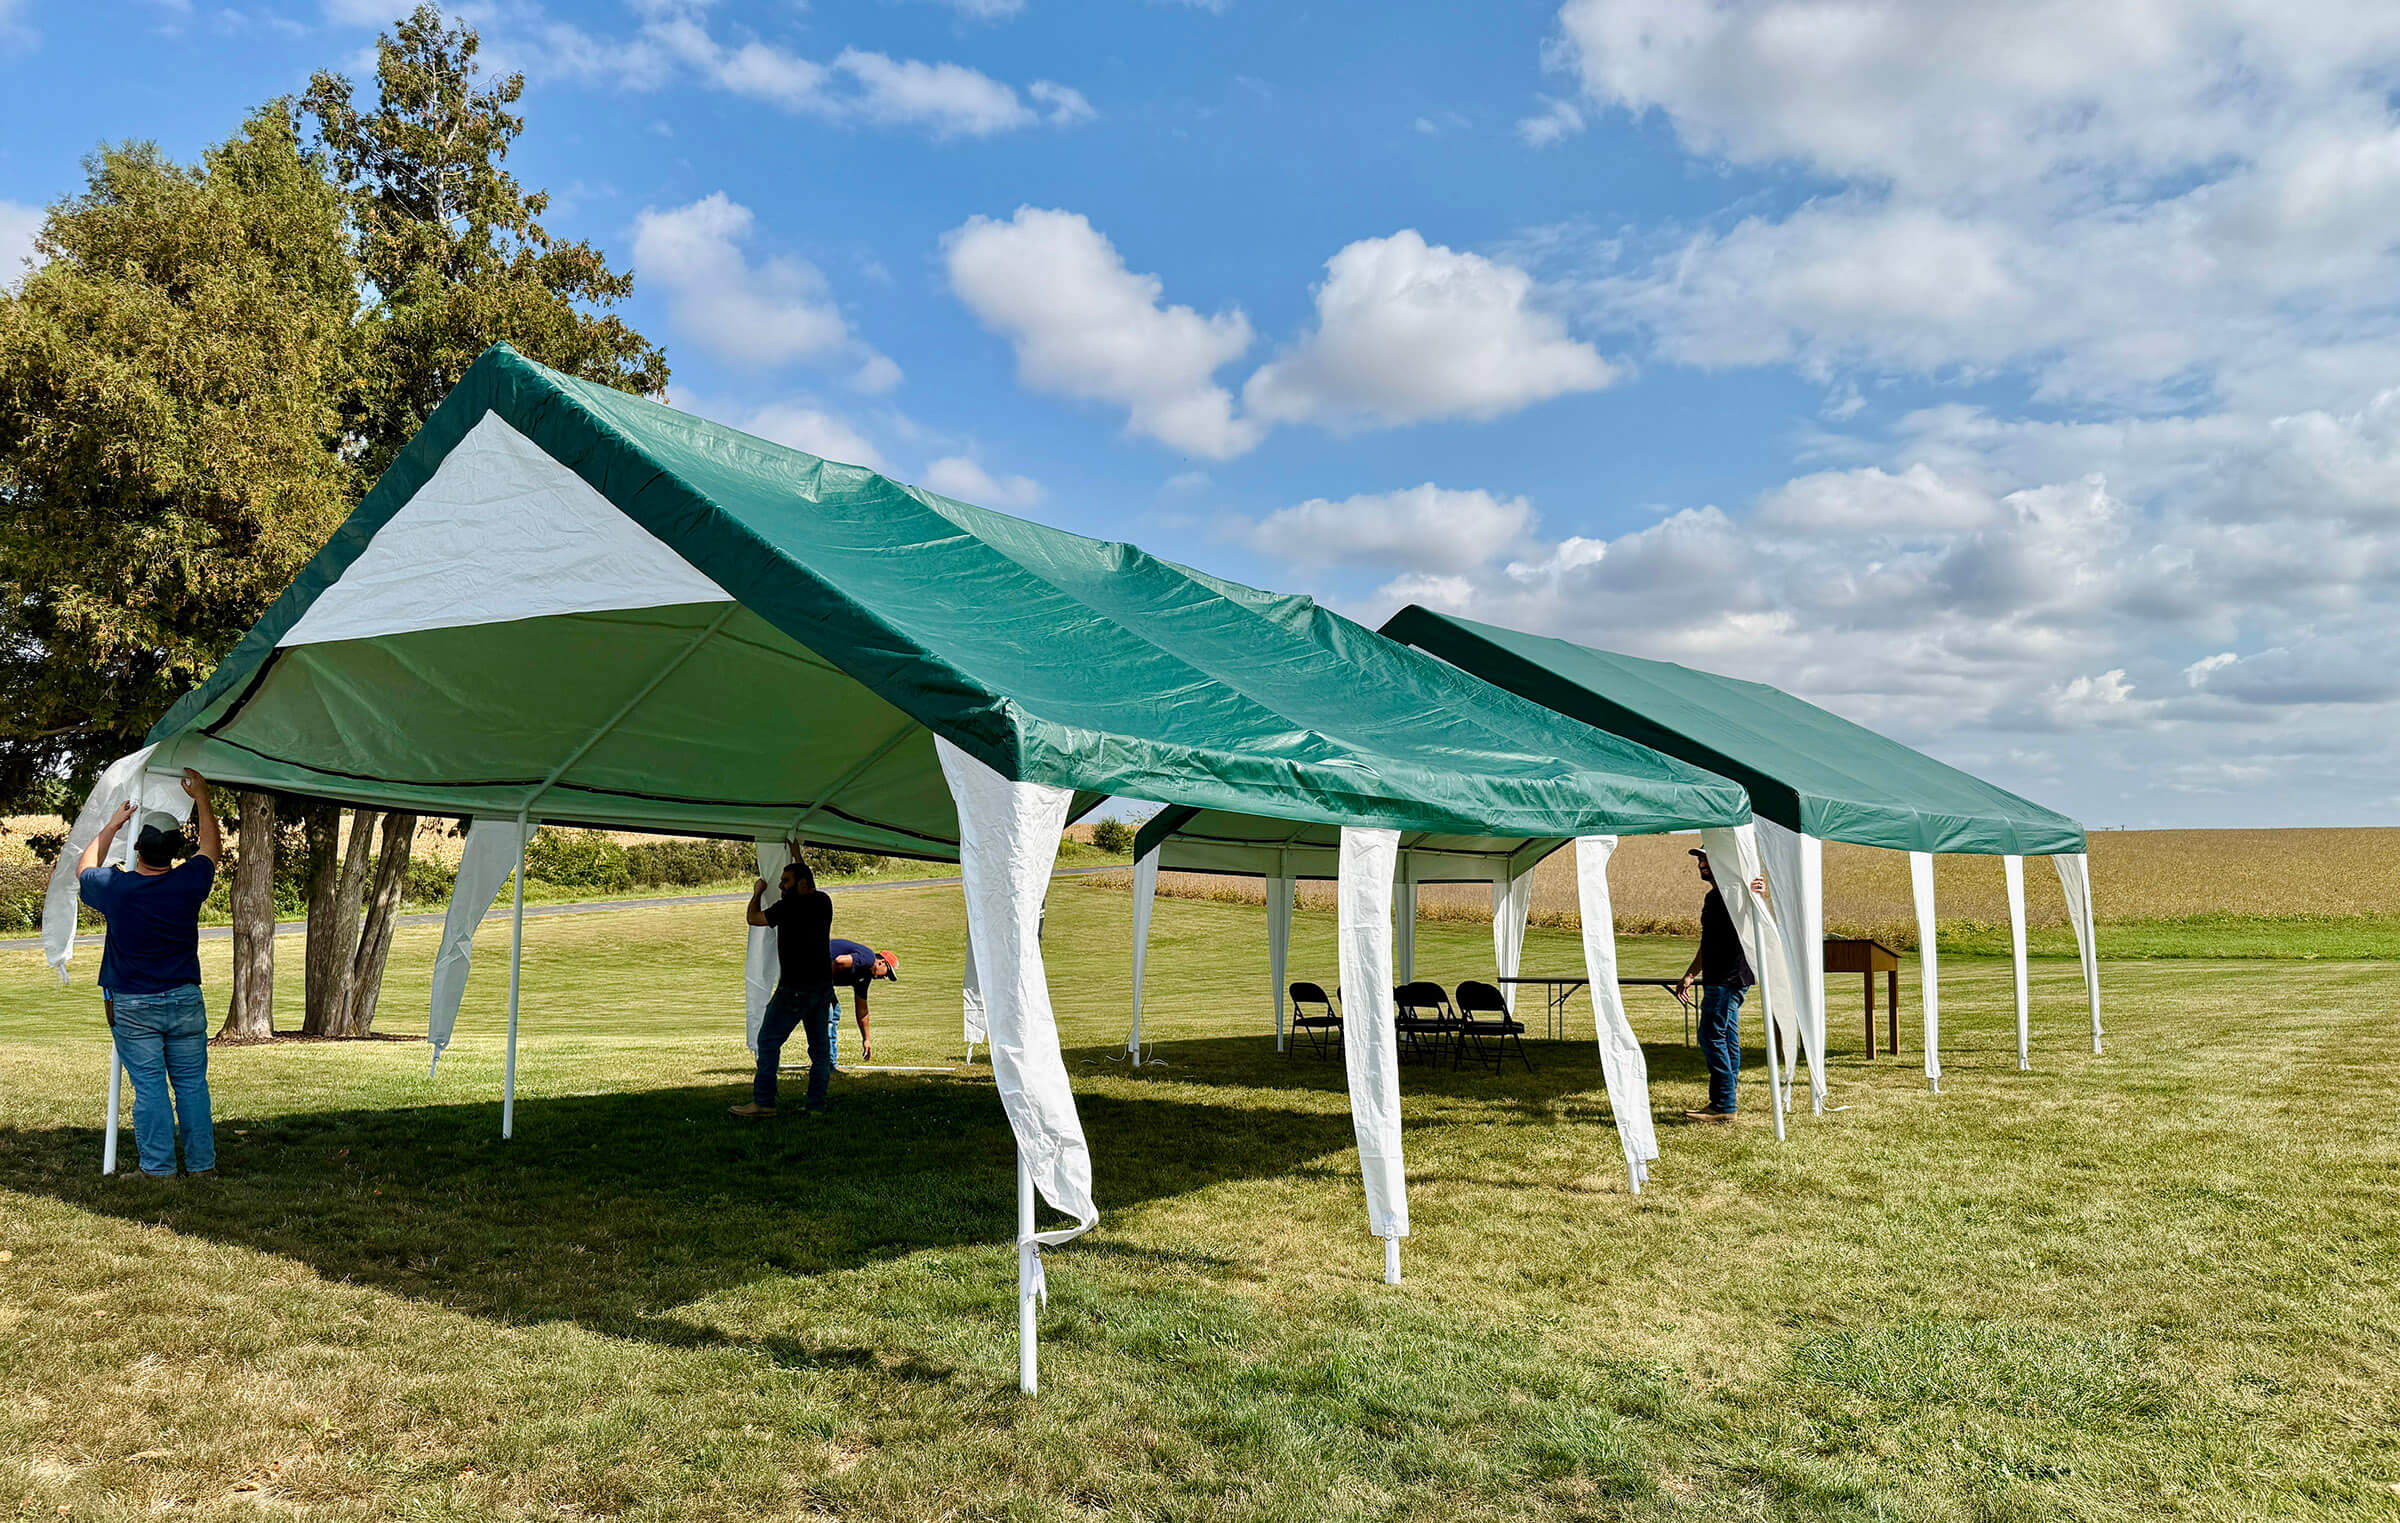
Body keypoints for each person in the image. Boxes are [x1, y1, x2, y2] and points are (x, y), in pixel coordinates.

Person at [78, 769, 221, 1177]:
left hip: (133, 1004)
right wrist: (203, 800)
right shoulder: (189, 883)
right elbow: (211, 848)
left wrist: (112, 824)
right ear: (177, 852)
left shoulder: (116, 888)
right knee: (192, 1085)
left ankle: (158, 1169)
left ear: (137, 847)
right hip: (184, 999)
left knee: (151, 1088)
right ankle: (201, 1164)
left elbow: (84, 867)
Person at [734, 857, 833, 1118]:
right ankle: (816, 1106)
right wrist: (797, 855)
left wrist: (756, 892)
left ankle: (764, 1102)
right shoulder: (824, 902)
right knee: (820, 1052)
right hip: (822, 990)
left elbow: (753, 918)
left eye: (785, 881)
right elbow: (809, 880)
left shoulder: (788, 907)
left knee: (767, 1041)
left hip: (794, 990)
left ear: (801, 884)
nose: (780, 886)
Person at [1672, 847, 1765, 1123]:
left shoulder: (1737, 892)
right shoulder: (1713, 897)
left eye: (1706, 858)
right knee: (1726, 1037)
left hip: (1729, 978)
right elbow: (1708, 943)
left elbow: (1758, 910)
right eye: (1699, 859)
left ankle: (1724, 1104)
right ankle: (1725, 1101)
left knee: (1711, 1036)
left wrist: (1759, 892)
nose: (1701, 863)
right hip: (1717, 977)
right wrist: (1690, 974)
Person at [824, 939, 897, 1065]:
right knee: (829, 1013)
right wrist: (826, 985)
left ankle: (829, 1063)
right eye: (887, 973)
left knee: (834, 1012)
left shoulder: (864, 978)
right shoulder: (868, 958)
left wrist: (866, 1040)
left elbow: (862, 1010)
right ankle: (827, 1064)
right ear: (881, 963)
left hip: (816, 976)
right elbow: (839, 961)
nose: (884, 978)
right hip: (808, 964)